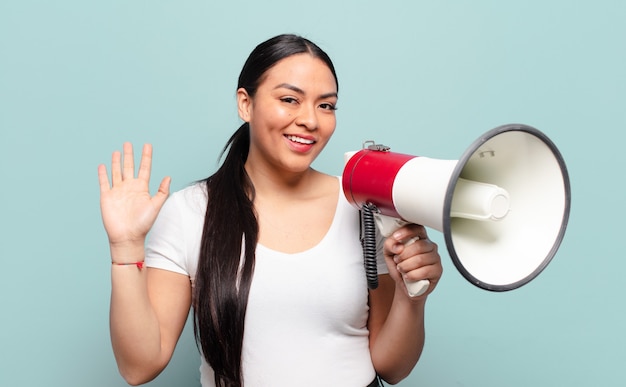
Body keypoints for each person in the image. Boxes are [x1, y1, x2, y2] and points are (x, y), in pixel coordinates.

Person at [98, 34, 443, 387]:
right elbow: (139, 365)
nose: (310, 120)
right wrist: (125, 247)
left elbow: (391, 367)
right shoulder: (191, 212)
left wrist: (411, 296)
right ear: (245, 104)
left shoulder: (359, 204)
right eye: (290, 99)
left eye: (326, 106)